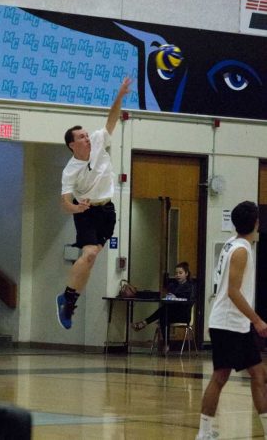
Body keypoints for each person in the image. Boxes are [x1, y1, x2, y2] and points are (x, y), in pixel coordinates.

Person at [56, 77, 132, 330]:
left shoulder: (100, 140)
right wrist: (75, 208)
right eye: (81, 137)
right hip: (86, 212)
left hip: (107, 210)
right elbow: (65, 201)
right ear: (72, 144)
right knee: (88, 254)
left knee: (92, 258)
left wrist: (120, 96)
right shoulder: (70, 170)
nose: (87, 138)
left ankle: (68, 299)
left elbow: (111, 119)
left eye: (87, 135)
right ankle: (68, 300)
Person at [195, 201, 267, 440]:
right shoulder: (240, 251)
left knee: (258, 374)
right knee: (220, 376)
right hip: (228, 323)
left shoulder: (234, 244)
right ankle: (204, 433)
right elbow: (233, 292)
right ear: (255, 222)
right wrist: (257, 320)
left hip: (235, 324)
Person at [132, 261, 196, 355]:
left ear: (186, 274)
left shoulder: (190, 287)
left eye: (180, 273)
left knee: (164, 312)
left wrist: (177, 298)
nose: (177, 275)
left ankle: (144, 323)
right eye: (176, 273)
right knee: (164, 314)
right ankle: (166, 344)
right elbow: (170, 294)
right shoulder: (173, 285)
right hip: (172, 313)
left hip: (183, 314)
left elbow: (188, 302)